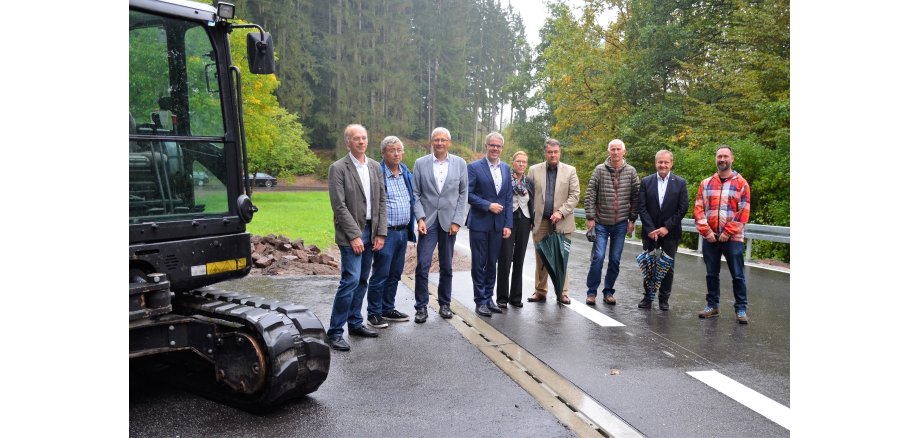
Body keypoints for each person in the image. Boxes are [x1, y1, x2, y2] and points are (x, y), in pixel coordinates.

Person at [326, 124, 387, 351]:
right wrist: (354, 235)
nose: (362, 142)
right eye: (356, 138)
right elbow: (339, 206)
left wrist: (381, 232)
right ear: (348, 142)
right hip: (352, 232)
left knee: (363, 279)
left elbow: (381, 200)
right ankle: (334, 332)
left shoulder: (374, 167)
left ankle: (355, 323)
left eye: (364, 138)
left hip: (372, 230)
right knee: (350, 279)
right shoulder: (338, 168)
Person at [412, 127, 468, 323]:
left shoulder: (460, 164)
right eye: (436, 139)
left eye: (443, 140)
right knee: (423, 265)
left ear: (449, 143)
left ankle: (445, 304)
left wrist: (457, 221)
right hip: (427, 222)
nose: (440, 143)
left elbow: (463, 194)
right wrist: (419, 218)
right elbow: (416, 194)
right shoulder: (420, 164)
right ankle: (421, 307)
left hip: (449, 223)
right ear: (431, 142)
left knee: (446, 266)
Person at [694, 145, 752, 324]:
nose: (722, 159)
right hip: (710, 237)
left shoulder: (741, 183)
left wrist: (728, 232)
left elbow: (744, 211)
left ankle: (741, 309)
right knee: (711, 273)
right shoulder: (706, 183)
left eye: (725, 156)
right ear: (715, 159)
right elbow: (698, 209)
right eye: (719, 156)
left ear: (732, 159)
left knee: (737, 274)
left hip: (733, 238)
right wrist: (707, 232)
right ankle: (713, 306)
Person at [365, 136, 415, 329]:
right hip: (386, 233)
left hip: (403, 231)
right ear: (383, 153)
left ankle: (388, 308)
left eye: (399, 150)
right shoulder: (377, 173)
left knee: (395, 273)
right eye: (392, 150)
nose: (396, 154)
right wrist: (378, 232)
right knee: (381, 273)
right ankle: (374, 313)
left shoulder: (405, 173)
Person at [583, 139, 639, 306]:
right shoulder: (599, 170)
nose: (615, 152)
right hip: (600, 222)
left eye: (618, 149)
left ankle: (608, 292)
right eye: (613, 149)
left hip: (621, 223)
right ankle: (591, 292)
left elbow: (636, 196)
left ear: (624, 151)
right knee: (598, 257)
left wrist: (632, 219)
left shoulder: (631, 171)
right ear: (609, 152)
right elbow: (590, 194)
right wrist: (590, 217)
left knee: (615, 259)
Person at [527, 138, 580, 304]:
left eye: (555, 152)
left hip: (562, 222)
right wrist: (529, 218)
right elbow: (528, 196)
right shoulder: (534, 170)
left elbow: (575, 195)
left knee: (560, 257)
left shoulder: (570, 170)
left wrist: (561, 212)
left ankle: (562, 292)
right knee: (541, 258)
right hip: (540, 221)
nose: (553, 155)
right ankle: (540, 291)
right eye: (550, 152)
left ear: (560, 152)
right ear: (545, 153)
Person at [466, 132, 513, 317]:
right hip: (479, 223)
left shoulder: (506, 169)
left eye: (498, 146)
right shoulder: (474, 167)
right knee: (479, 263)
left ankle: (489, 297)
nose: (495, 148)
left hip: (498, 225)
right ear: (486, 146)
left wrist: (508, 224)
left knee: (492, 263)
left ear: (502, 148)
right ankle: (480, 301)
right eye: (492, 145)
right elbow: (468, 194)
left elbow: (508, 198)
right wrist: (487, 205)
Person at [637, 149, 689, 310]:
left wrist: (666, 227)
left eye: (666, 162)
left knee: (668, 267)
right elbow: (642, 206)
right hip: (650, 232)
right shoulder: (646, 182)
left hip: (670, 232)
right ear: (656, 163)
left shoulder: (680, 183)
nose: (663, 165)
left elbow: (683, 208)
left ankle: (664, 299)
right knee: (649, 265)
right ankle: (647, 297)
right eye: (660, 162)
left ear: (671, 163)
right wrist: (651, 228)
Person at [496, 151, 534, 309]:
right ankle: (502, 297)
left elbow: (533, 201)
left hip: (524, 221)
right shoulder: (506, 179)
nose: (521, 164)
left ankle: (516, 297)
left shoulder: (529, 182)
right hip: (508, 221)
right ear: (513, 163)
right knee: (505, 259)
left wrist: (532, 220)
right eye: (518, 161)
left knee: (519, 259)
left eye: (524, 162)